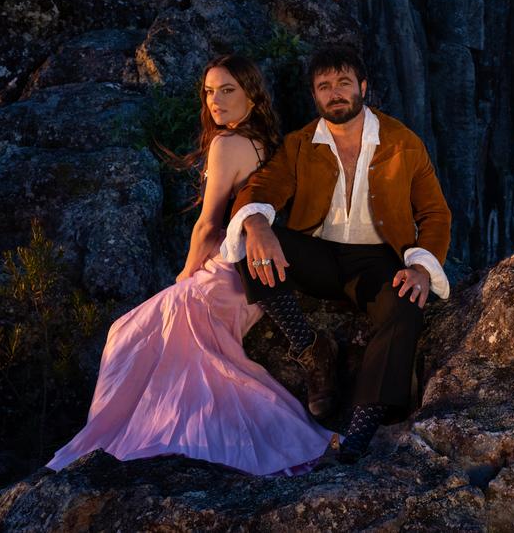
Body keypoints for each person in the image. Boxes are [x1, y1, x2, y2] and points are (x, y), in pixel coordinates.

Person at [48, 54, 332, 475]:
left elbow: (207, 225)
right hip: (248, 284)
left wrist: (185, 274)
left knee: (127, 333)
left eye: (227, 90)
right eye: (209, 91)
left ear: (253, 97)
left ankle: (152, 438)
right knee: (182, 353)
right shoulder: (264, 144)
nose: (215, 100)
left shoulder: (226, 144)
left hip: (223, 277)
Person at [221, 44, 452, 465]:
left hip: (378, 260)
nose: (335, 93)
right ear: (315, 95)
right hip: (319, 256)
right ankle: (310, 349)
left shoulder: (403, 143)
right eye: (324, 86)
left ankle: (359, 433)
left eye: (344, 83)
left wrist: (420, 266)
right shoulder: (300, 143)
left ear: (363, 87)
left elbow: (435, 213)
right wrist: (257, 225)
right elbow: (259, 191)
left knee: (406, 305)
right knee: (248, 244)